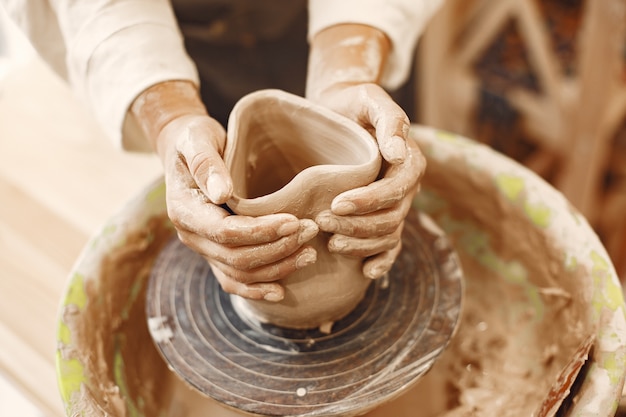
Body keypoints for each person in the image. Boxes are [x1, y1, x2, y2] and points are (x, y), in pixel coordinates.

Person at [3, 0, 443, 302]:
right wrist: (171, 115)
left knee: (375, 136)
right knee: (211, 168)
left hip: (327, 14)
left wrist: (345, 71)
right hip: (181, 31)